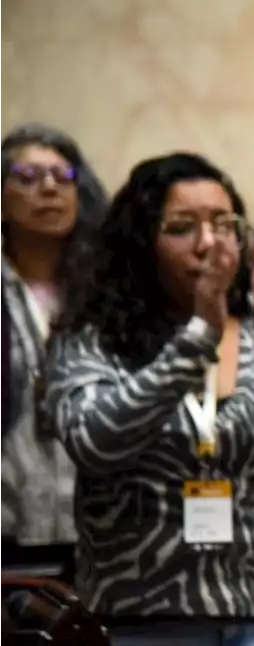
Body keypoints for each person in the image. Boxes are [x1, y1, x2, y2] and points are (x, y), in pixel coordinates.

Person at [44, 151, 254, 646]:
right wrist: (199, 336)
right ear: (140, 243)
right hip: (146, 634)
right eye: (181, 228)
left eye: (224, 224)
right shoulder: (91, 340)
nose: (209, 243)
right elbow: (95, 443)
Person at [0, 124, 107, 544]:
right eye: (28, 177)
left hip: (97, 535)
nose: (49, 188)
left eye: (63, 177)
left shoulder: (106, 295)